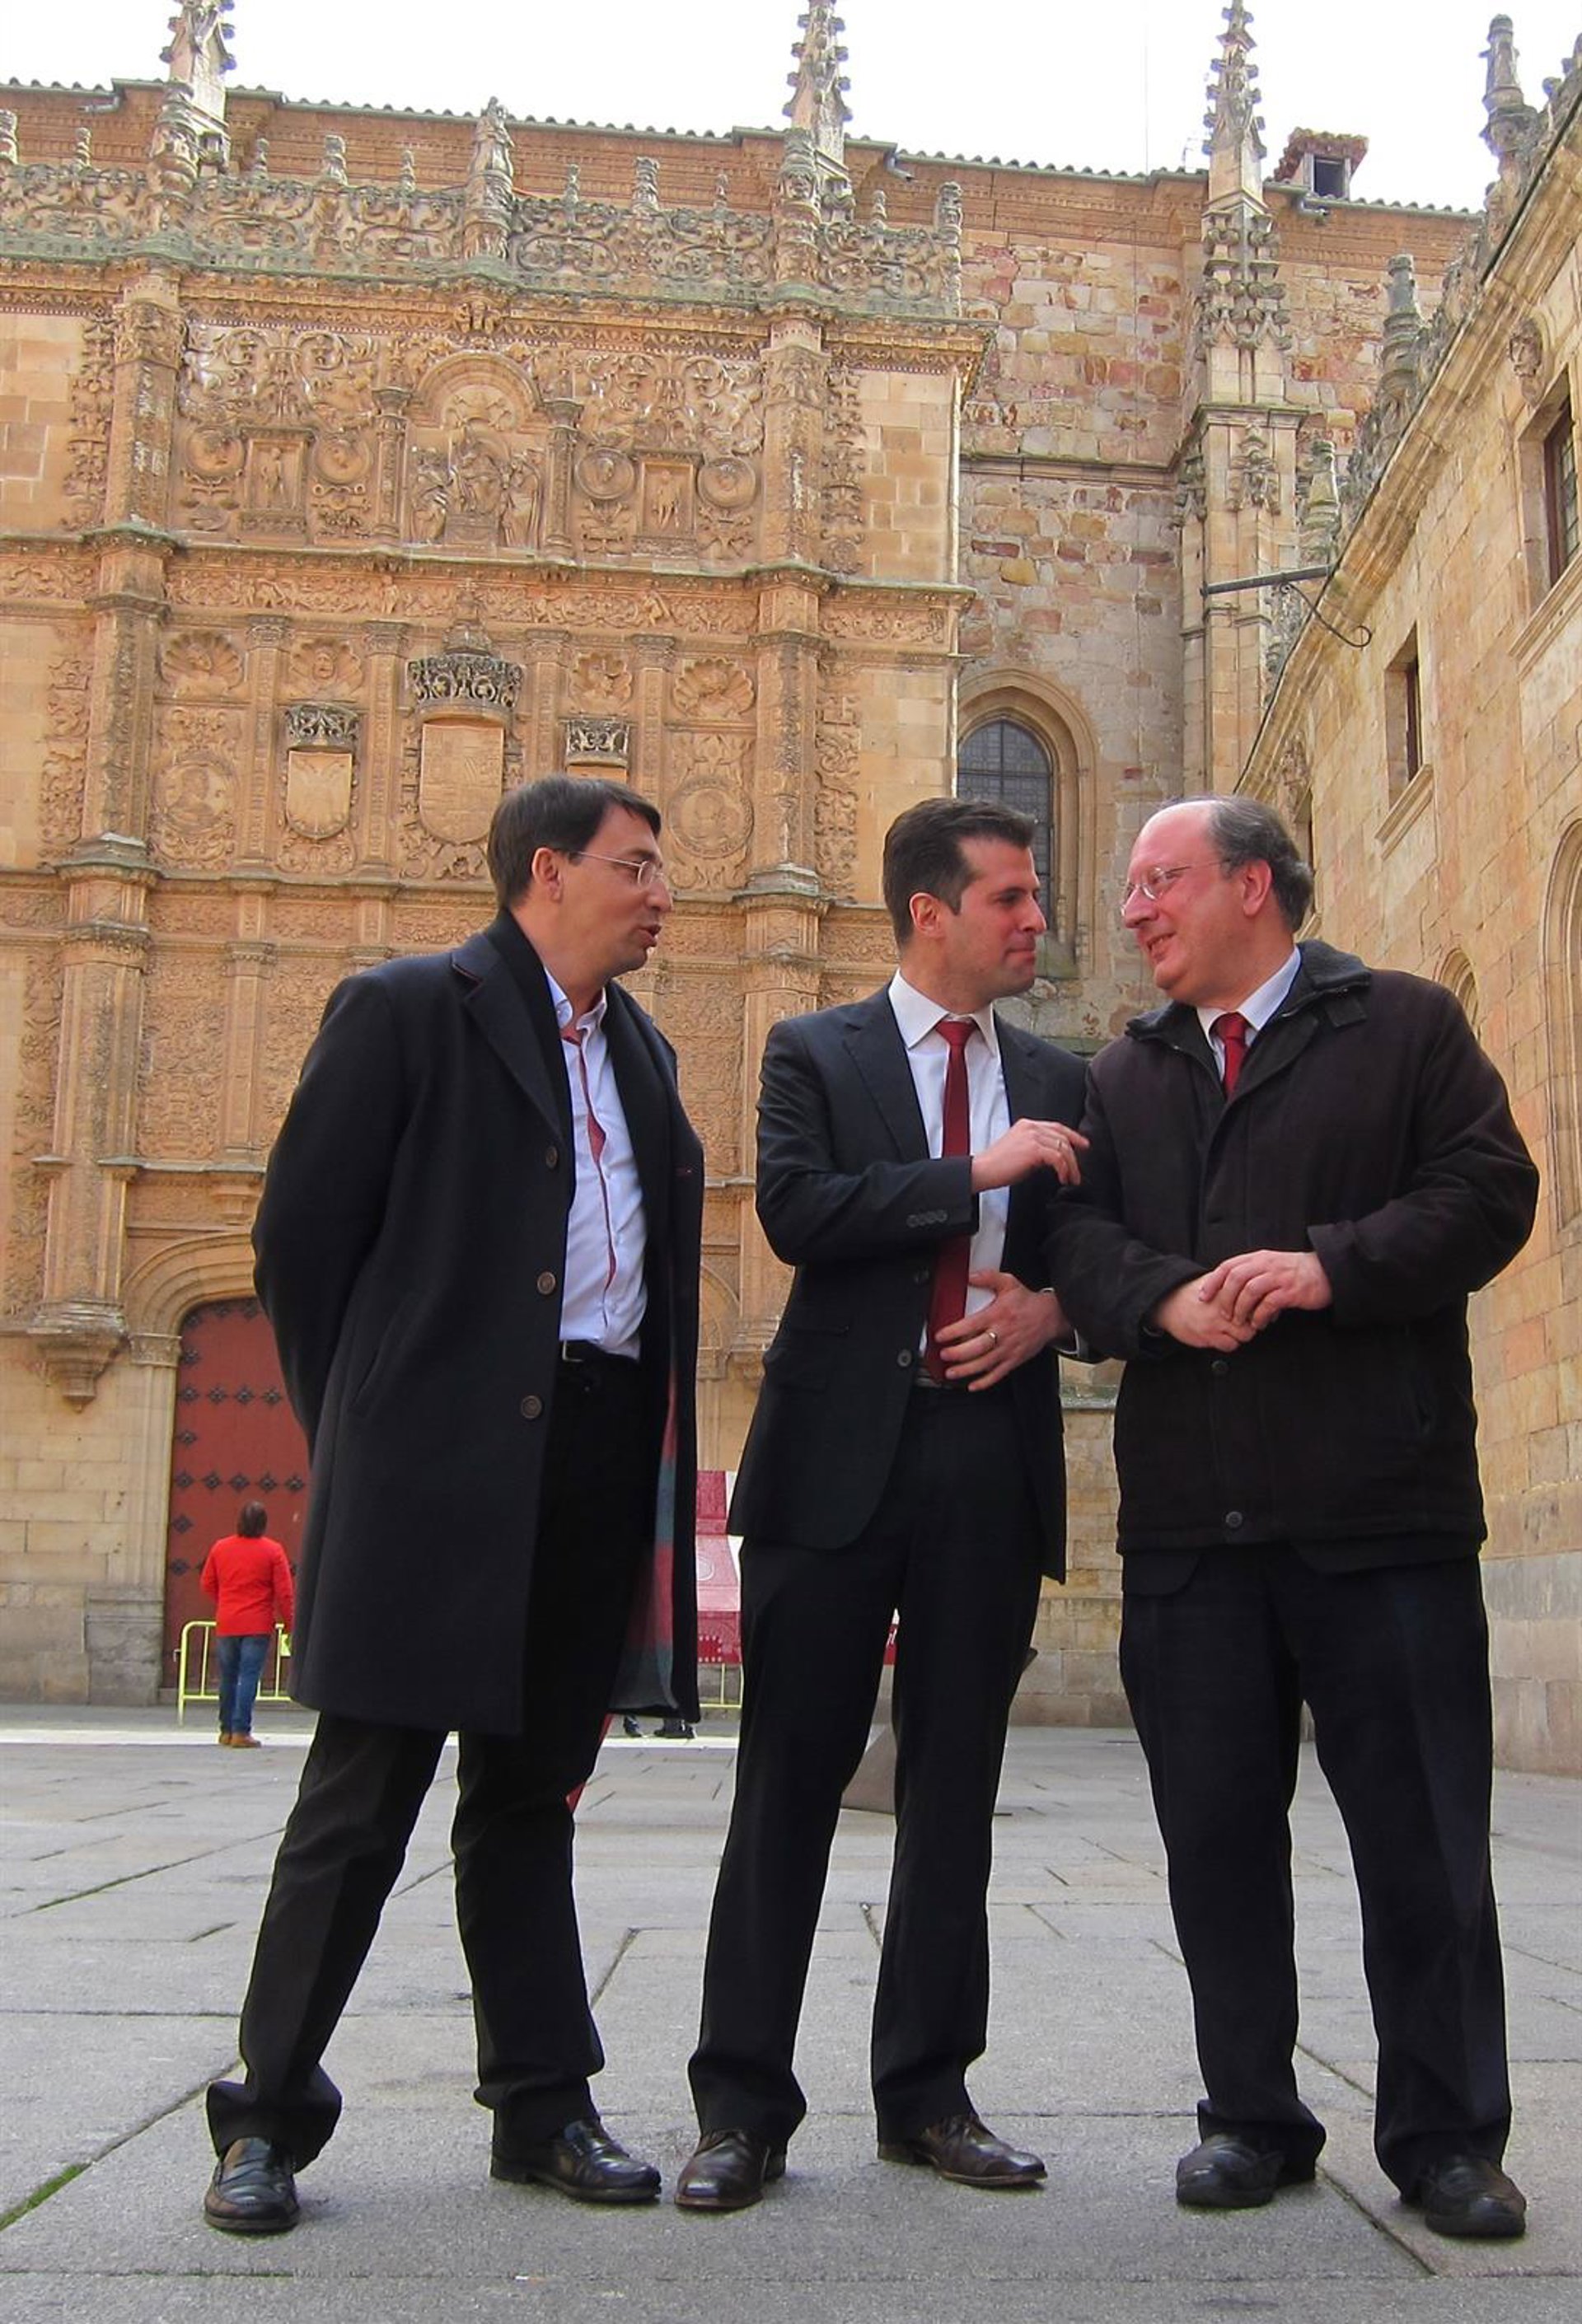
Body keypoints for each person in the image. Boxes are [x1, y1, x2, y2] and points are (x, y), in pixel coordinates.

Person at [202, 775, 703, 2235]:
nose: (661, 893)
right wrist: (373, 1424)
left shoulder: (645, 1049)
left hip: (595, 1453)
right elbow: (301, 1244)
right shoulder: (407, 1009)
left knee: (531, 1795)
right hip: (434, 1465)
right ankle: (265, 2119)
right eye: (636, 866)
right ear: (548, 871)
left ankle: (543, 2108)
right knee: (361, 1796)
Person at [1046, 795, 1538, 2239]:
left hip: (1383, 1518)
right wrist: (1159, 1299)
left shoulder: (1404, 1024)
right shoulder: (1123, 1073)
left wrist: (1330, 1267)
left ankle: (1447, 2138)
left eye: (1160, 881)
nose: (1132, 908)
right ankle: (1250, 2117)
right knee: (1215, 1843)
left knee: (1424, 1845)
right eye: (1132, 886)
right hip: (1192, 1534)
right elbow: (1073, 1245)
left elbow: (1492, 1191)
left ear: (1252, 886)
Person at [676, 798, 1087, 2213]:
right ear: (930, 911)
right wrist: (974, 1174)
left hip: (988, 1458)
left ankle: (929, 2096)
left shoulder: (1059, 1075)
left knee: (954, 1789)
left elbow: (1100, 1252)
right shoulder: (817, 1050)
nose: (1036, 919)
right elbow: (799, 1211)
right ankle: (741, 2108)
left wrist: (1049, 1310)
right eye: (1011, 898)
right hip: (834, 1457)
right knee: (785, 1785)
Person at [200, 1501, 294, 1748]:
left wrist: (225, 1601)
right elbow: (284, 1592)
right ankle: (241, 1731)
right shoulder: (273, 1551)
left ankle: (226, 1730)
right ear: (263, 1524)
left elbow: (207, 1583)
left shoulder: (221, 1548)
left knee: (228, 1678)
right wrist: (290, 1624)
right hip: (257, 1623)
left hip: (227, 1621)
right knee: (249, 1676)